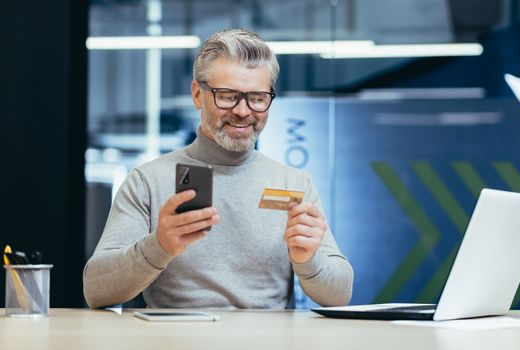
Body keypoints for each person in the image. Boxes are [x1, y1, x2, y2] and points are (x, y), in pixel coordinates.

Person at [83, 29, 353, 309]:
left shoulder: (294, 183)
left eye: (257, 98)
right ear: (198, 95)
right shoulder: (148, 181)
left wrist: (309, 260)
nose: (243, 111)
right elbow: (96, 290)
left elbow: (340, 296)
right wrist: (159, 245)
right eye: (227, 95)